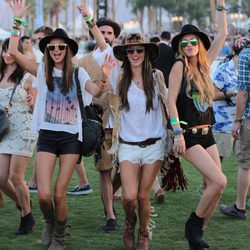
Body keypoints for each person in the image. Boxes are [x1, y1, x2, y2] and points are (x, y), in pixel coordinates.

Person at [8, 1, 115, 249]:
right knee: (44, 195)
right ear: (47, 51)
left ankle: (59, 235)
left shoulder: (79, 73)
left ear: (68, 49)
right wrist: (18, 20)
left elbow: (97, 92)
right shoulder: (41, 70)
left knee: (59, 193)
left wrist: (106, 72)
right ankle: (49, 222)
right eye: (52, 47)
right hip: (47, 136)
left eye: (61, 47)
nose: (56, 50)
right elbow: (13, 52)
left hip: (71, 138)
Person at [167, 1, 227, 249]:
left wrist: (222, 5)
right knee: (220, 181)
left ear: (200, 45)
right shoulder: (179, 65)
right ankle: (193, 225)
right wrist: (177, 134)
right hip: (189, 136)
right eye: (184, 42)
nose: (189, 45)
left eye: (193, 42)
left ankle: (197, 234)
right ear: (180, 47)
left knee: (217, 187)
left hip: (208, 134)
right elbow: (170, 100)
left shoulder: (205, 65)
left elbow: (222, 34)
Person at [110, 32, 168, 250]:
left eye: (139, 50)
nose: (135, 54)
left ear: (146, 53)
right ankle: (129, 223)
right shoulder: (119, 79)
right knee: (129, 197)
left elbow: (169, 105)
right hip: (127, 146)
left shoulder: (157, 77)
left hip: (154, 145)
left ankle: (143, 234)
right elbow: (106, 103)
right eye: (130, 50)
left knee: (143, 196)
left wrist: (178, 132)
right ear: (125, 54)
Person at [77, 0, 120, 232]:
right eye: (101, 32)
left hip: (124, 124)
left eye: (109, 32)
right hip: (98, 124)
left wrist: (88, 18)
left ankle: (112, 196)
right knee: (104, 171)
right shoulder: (82, 62)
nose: (105, 35)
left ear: (115, 36)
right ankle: (110, 215)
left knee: (123, 170)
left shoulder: (121, 56)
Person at [0, 38, 37, 234]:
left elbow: (37, 106)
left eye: (10, 50)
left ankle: (26, 217)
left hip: (24, 129)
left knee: (15, 176)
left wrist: (32, 102)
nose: (7, 54)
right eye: (4, 50)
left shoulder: (27, 78)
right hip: (3, 131)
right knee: (1, 178)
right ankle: (24, 203)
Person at [219, 40, 250, 220]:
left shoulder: (246, 54)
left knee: (245, 164)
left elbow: (243, 91)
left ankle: (239, 207)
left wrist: (237, 120)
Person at [26, 25, 53, 192]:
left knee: (44, 149)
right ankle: (35, 181)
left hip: (55, 115)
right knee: (43, 149)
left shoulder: (56, 60)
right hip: (43, 112)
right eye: (36, 40)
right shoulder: (42, 60)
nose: (38, 43)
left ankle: (36, 182)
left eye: (40, 39)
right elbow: (36, 88)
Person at [213, 38, 247, 162]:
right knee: (216, 161)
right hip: (224, 122)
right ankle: (208, 182)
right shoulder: (223, 69)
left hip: (245, 122)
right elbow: (213, 95)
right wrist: (234, 92)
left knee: (245, 163)